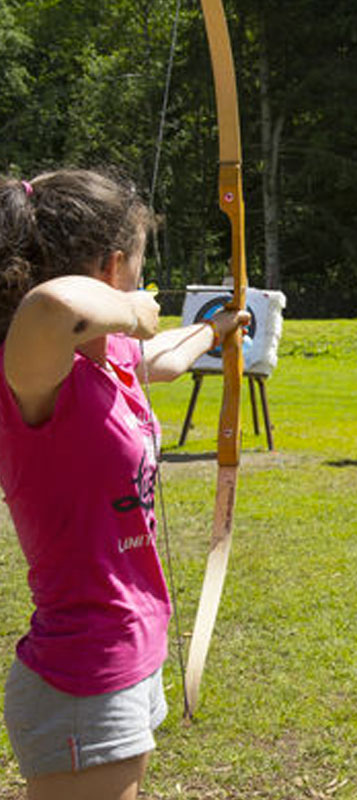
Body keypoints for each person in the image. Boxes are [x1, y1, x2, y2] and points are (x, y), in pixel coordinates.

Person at [0, 169, 249, 800]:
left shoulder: (107, 358)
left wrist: (216, 329)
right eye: (139, 269)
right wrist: (133, 313)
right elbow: (54, 308)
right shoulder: (32, 375)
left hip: (121, 649)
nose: (147, 290)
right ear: (114, 267)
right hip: (82, 671)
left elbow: (160, 358)